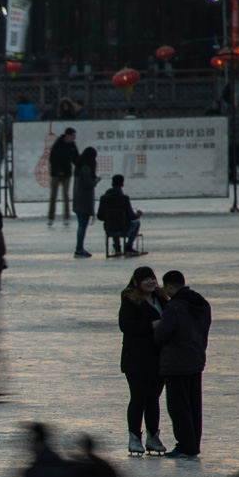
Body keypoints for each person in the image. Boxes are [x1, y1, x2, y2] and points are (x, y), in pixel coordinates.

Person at [154, 270, 211, 459]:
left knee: (178, 406)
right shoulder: (200, 303)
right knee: (194, 405)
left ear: (169, 286)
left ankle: (185, 445)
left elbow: (162, 335)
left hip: (176, 362)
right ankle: (193, 443)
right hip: (196, 359)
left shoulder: (175, 307)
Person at [118, 267, 168, 455]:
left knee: (153, 399)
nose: (150, 282)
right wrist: (151, 325)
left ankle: (153, 437)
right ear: (137, 282)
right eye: (146, 279)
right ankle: (134, 438)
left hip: (158, 357)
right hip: (136, 358)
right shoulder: (130, 300)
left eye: (152, 278)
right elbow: (126, 325)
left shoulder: (161, 299)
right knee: (138, 398)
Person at [97, 174, 143, 256]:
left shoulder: (104, 198)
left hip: (109, 229)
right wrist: (138, 214)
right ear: (122, 184)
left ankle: (117, 247)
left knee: (113, 222)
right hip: (124, 228)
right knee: (136, 222)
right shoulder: (124, 198)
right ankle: (129, 246)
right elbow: (131, 216)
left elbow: (100, 216)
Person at [71, 147, 100, 257]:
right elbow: (88, 184)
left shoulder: (79, 167)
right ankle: (79, 248)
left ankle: (79, 248)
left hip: (78, 201)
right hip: (85, 202)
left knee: (81, 226)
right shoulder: (86, 168)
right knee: (82, 226)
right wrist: (95, 181)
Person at [47, 128, 78, 225]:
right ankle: (51, 217)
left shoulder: (72, 145)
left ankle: (66, 217)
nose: (74, 138)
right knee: (53, 196)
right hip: (56, 174)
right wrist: (57, 170)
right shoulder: (58, 144)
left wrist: (80, 166)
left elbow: (76, 158)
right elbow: (52, 159)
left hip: (67, 174)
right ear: (67, 135)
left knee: (66, 195)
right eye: (73, 136)